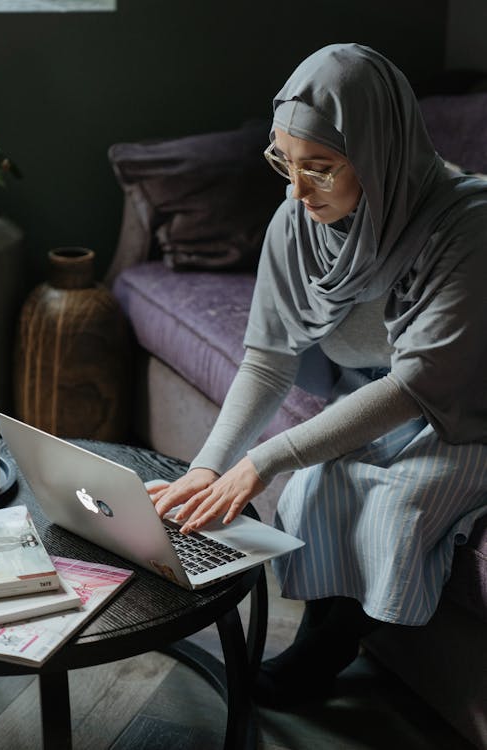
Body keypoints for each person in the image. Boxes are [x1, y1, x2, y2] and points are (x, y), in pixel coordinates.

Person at [148, 43, 487, 709]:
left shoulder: (468, 226)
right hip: (381, 398)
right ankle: (315, 646)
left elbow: (421, 382)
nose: (298, 192)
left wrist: (264, 458)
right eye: (286, 163)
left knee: (396, 508)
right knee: (312, 492)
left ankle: (320, 658)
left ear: (378, 153)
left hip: (467, 409)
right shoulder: (296, 222)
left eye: (322, 169)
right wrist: (212, 465)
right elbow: (268, 358)